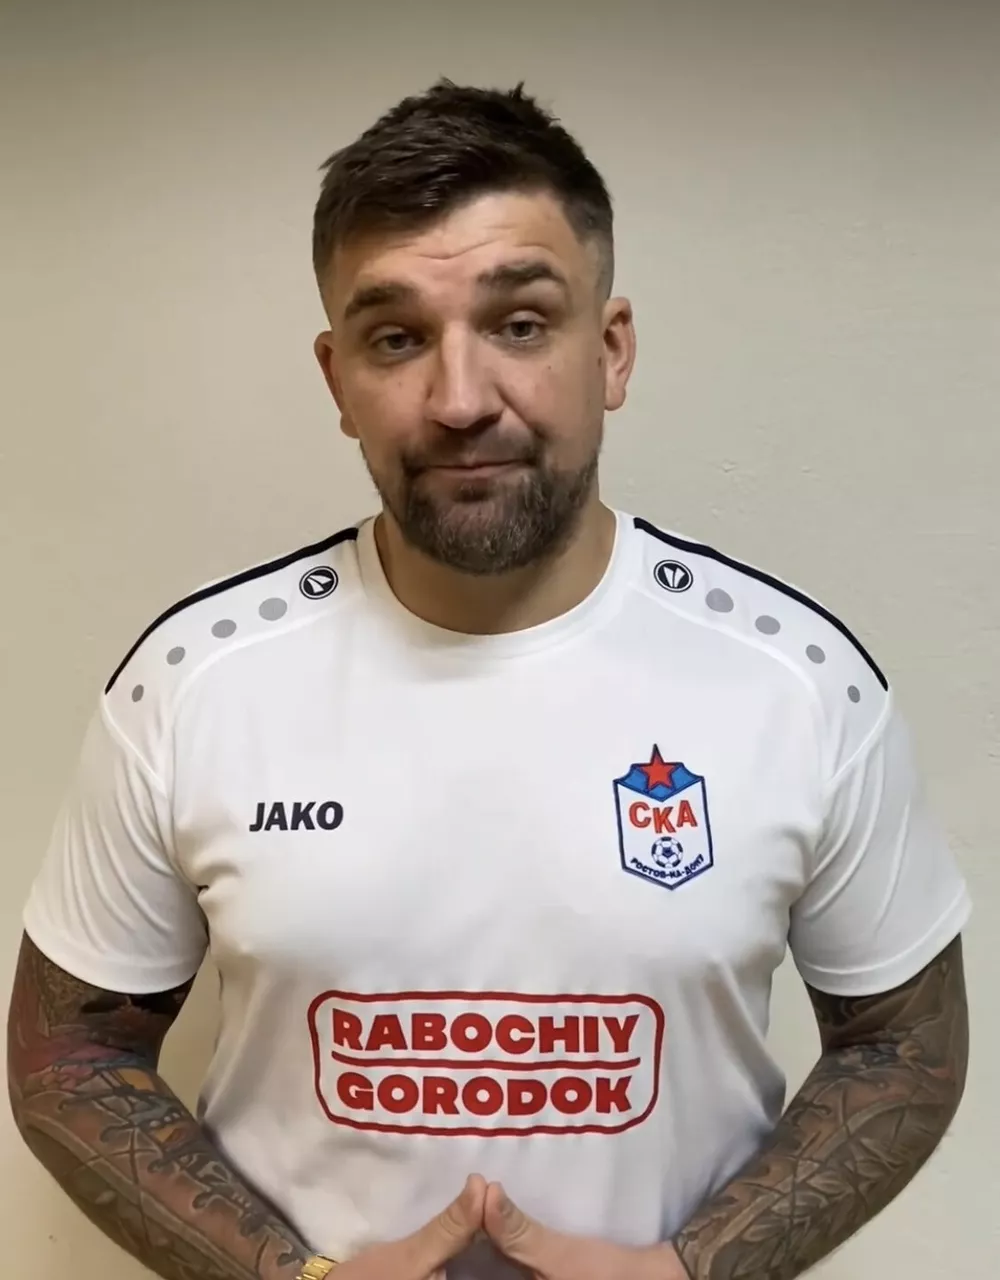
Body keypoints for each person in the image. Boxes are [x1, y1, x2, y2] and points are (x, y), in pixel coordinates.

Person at [8, 79, 970, 1280]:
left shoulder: (802, 682)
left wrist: (691, 1269)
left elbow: (904, 1046)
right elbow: (67, 1054)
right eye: (396, 338)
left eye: (518, 323)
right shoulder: (191, 682)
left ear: (609, 349)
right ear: (336, 378)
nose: (460, 401)